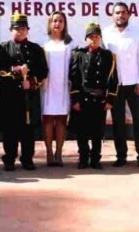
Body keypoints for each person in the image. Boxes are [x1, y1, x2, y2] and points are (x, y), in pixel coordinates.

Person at [0, 12, 48, 171]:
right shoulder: (3, 48)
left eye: (23, 28)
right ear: (11, 30)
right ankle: (9, 159)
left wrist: (31, 82)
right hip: (9, 96)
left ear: (27, 30)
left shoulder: (36, 49)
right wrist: (16, 72)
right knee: (10, 129)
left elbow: (43, 71)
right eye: (17, 28)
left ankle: (27, 158)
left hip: (28, 96)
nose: (20, 31)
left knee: (28, 129)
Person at [104, 2, 139, 169]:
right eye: (117, 12)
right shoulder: (106, 33)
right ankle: (121, 156)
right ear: (112, 15)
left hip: (134, 84)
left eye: (123, 12)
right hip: (115, 86)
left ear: (129, 14)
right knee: (118, 122)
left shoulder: (137, 33)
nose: (120, 15)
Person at [69, 23, 119, 169]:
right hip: (83, 99)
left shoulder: (108, 55)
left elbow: (113, 78)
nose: (94, 39)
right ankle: (83, 158)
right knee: (82, 132)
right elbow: (74, 78)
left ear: (100, 38)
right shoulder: (78, 54)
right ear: (86, 39)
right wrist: (75, 99)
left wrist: (110, 99)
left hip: (99, 99)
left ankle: (95, 159)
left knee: (98, 133)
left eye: (97, 36)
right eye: (91, 37)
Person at [41, 11, 78, 167]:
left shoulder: (71, 45)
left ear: (65, 24)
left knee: (62, 120)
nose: (57, 24)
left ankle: (59, 153)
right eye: (54, 21)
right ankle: (49, 152)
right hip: (47, 88)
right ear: (50, 23)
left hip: (64, 88)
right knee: (48, 120)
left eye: (60, 21)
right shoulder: (43, 44)